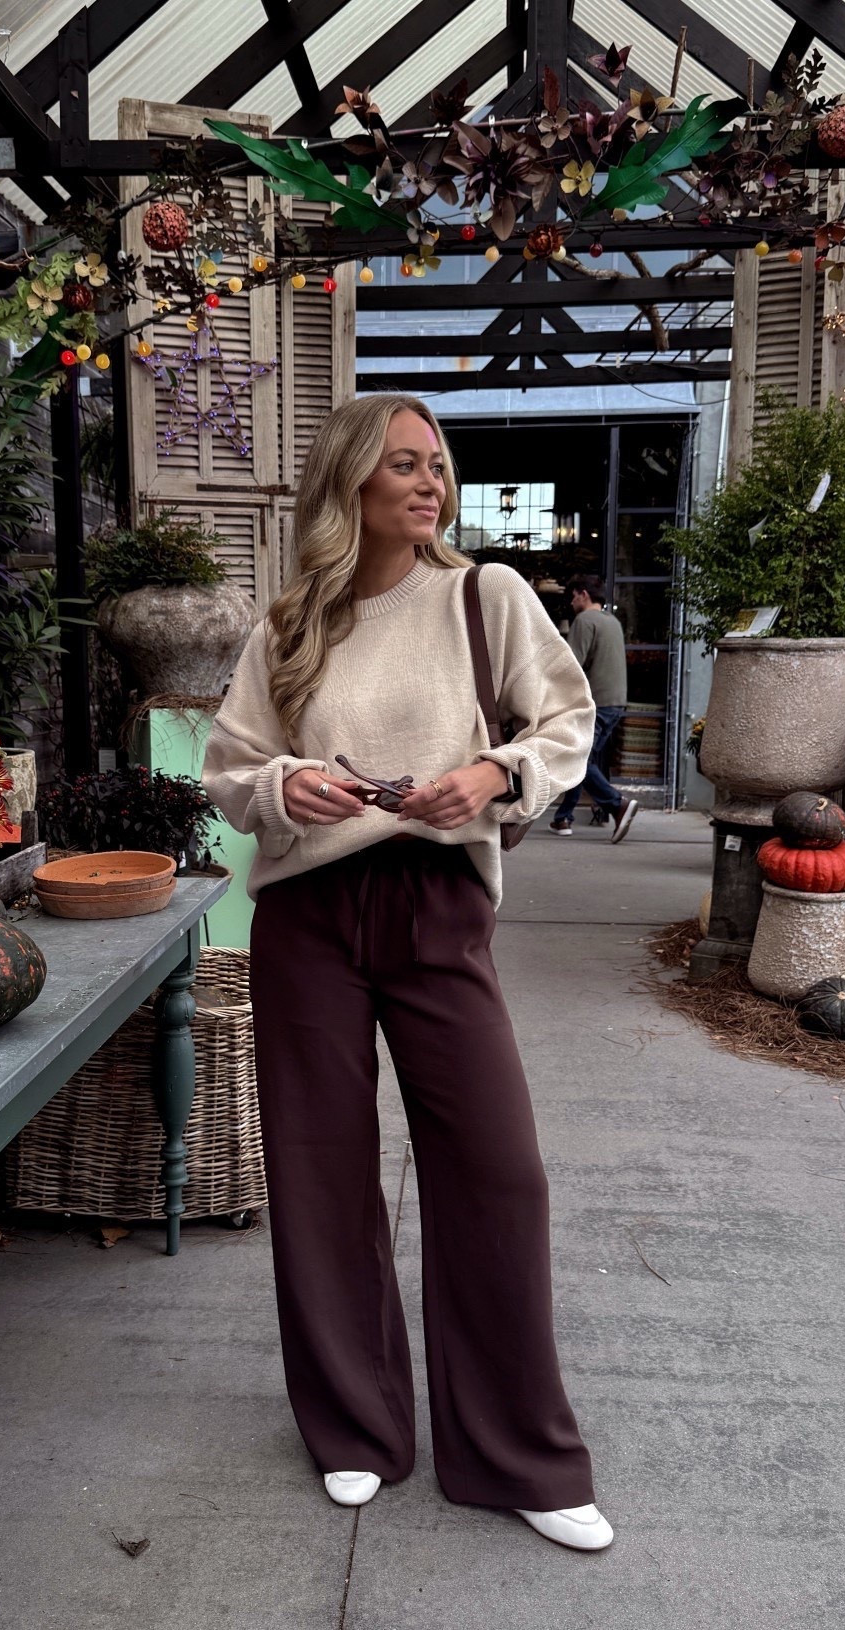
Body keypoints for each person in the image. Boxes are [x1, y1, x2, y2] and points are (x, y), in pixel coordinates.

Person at [201, 394, 613, 1553]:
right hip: (309, 913)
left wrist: (489, 776)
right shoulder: (291, 625)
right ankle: (353, 1426)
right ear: (350, 483)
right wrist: (285, 786)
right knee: (320, 1171)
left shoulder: (485, 596)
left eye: (437, 465)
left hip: (436, 903)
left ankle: (519, 1454)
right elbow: (228, 764)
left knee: (497, 1172)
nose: (430, 484)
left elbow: (566, 722)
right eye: (403, 466)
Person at [550, 575, 640, 842]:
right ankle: (563, 817)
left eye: (573, 596)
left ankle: (617, 804)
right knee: (583, 758)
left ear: (584, 594)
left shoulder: (584, 620)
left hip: (596, 703)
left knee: (577, 759)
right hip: (615, 702)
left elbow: (571, 666)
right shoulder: (612, 621)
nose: (572, 602)